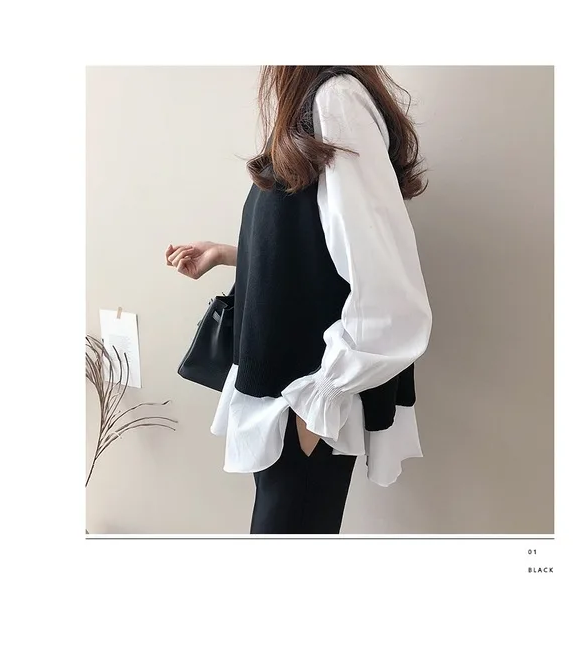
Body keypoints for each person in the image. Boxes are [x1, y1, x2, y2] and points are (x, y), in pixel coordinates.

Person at [166, 66, 432, 535]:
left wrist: (320, 399)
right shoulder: (313, 103)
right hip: (290, 401)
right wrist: (228, 254)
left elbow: (388, 288)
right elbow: (316, 246)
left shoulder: (335, 100)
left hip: (302, 404)